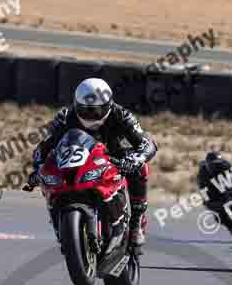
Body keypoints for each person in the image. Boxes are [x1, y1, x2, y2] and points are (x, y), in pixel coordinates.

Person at [29, 78, 157, 247]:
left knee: (141, 168)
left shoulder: (121, 115)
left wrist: (136, 159)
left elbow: (147, 144)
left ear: (108, 105)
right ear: (76, 104)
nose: (90, 116)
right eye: (85, 109)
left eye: (96, 111)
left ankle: (136, 222)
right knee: (47, 175)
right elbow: (41, 148)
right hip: (77, 161)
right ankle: (60, 221)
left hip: (113, 159)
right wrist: (38, 168)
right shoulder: (65, 117)